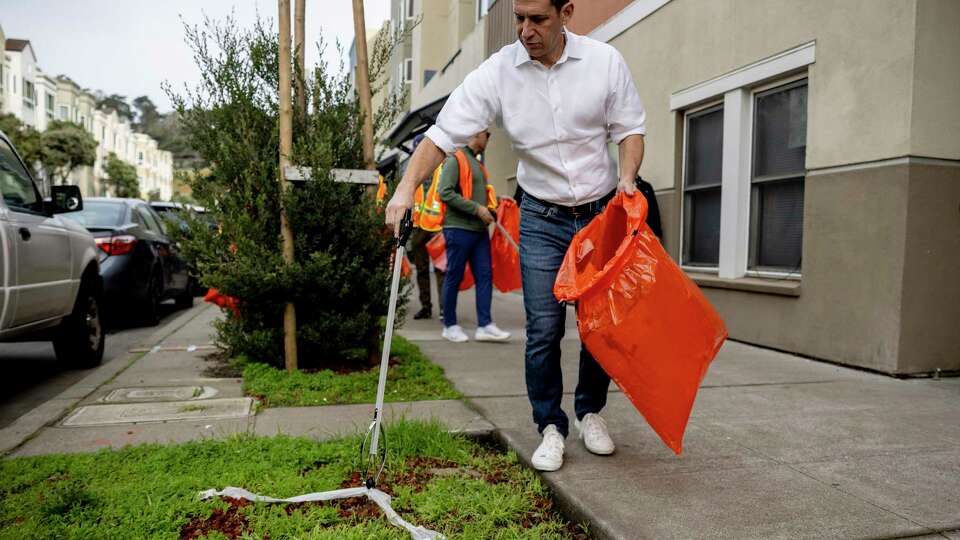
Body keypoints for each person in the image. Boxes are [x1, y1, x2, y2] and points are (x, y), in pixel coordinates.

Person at [385, 0, 646, 472]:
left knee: (598, 327)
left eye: (538, 19)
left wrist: (627, 179)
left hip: (599, 216)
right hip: (542, 217)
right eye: (518, 18)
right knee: (544, 328)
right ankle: (550, 425)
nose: (525, 30)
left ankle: (590, 412)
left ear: (566, 12)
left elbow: (630, 130)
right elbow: (443, 133)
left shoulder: (605, 63)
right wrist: (404, 189)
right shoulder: (498, 73)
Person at [437, 130, 510, 343]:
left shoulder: (477, 165)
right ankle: (449, 325)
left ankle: (485, 325)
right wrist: (477, 210)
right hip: (458, 228)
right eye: (487, 134)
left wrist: (493, 204)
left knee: (485, 276)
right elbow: (445, 192)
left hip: (478, 231)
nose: (489, 138)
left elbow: (479, 196)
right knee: (454, 276)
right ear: (476, 134)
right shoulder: (456, 160)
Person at [409, 175, 446, 320]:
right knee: (421, 269)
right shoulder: (417, 168)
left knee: (441, 269)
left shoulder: (440, 166)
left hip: (438, 225)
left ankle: (444, 309)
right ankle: (426, 308)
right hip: (419, 226)